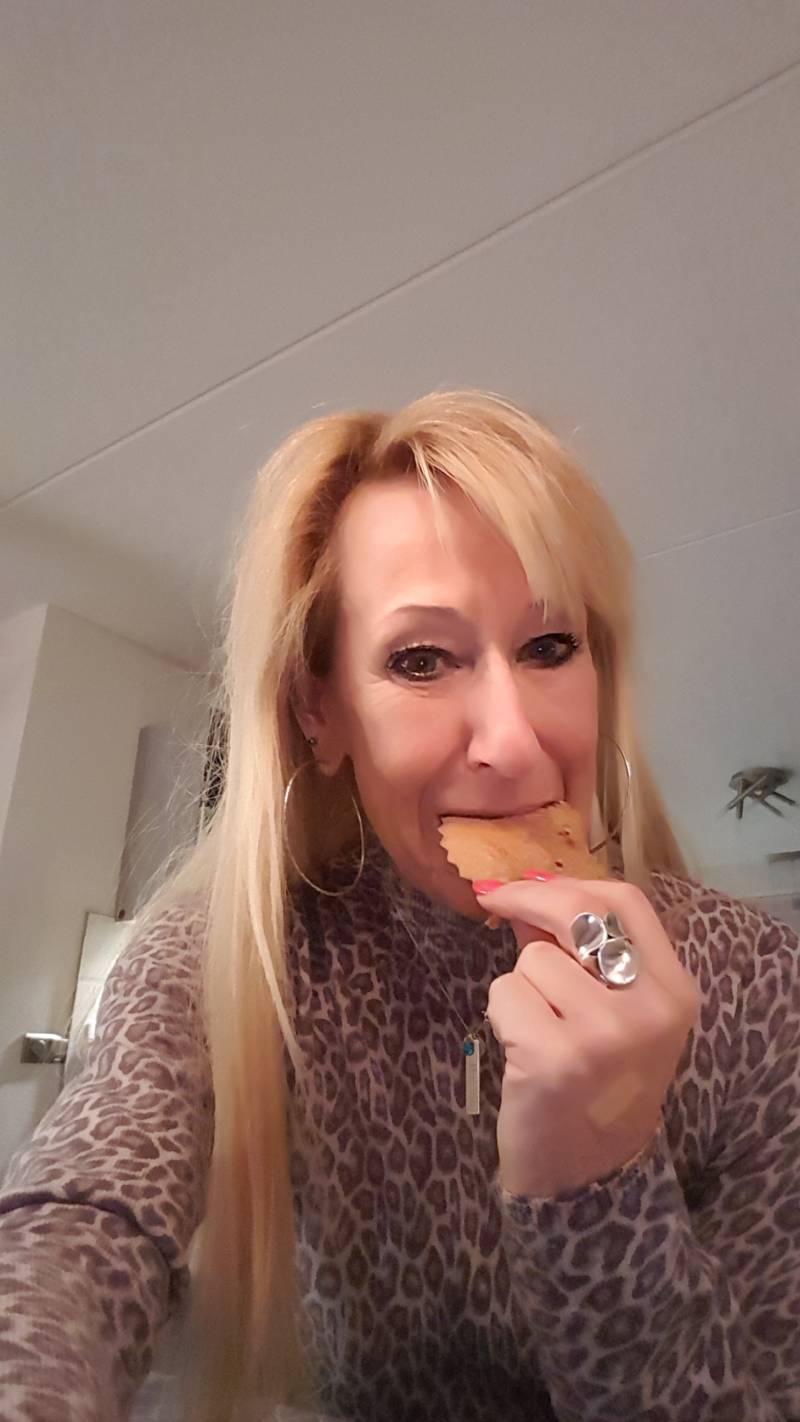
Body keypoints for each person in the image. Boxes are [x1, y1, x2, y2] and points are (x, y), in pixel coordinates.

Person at [1, 390, 798, 1422]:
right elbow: (76, 1221)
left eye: (549, 646)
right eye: (421, 660)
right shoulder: (233, 962)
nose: (513, 741)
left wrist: (596, 1182)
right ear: (320, 710)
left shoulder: (753, 978)